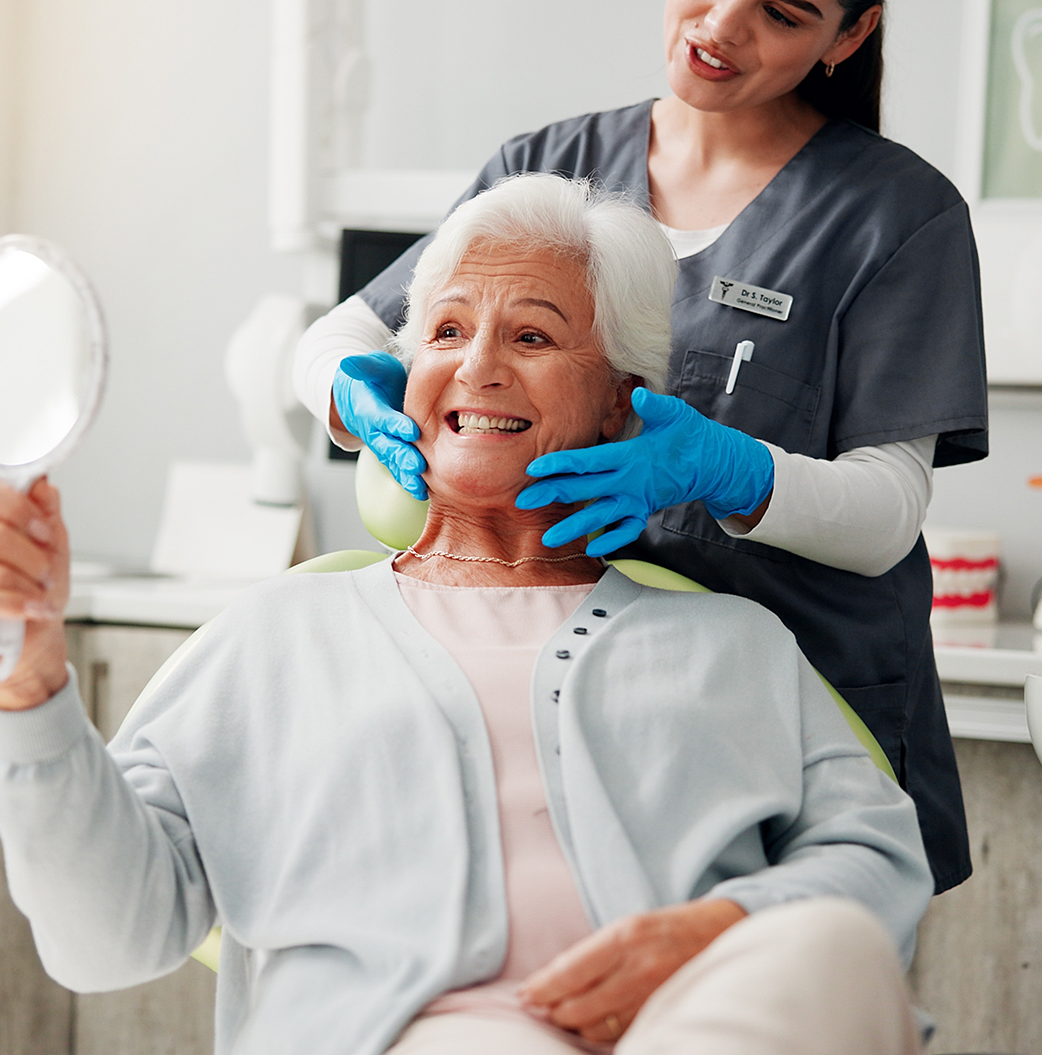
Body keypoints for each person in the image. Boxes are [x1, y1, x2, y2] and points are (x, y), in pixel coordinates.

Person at [0, 175, 932, 1055]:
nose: (478, 367)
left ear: (623, 409)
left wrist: (714, 925)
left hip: (690, 1024)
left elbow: (880, 863)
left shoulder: (732, 645)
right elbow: (104, 936)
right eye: (445, 332)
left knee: (833, 945)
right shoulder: (276, 636)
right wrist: (30, 699)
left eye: (531, 335)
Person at [292, 0, 987, 894]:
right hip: (583, 690)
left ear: (848, 36)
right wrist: (354, 386)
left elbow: (887, 511)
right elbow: (332, 339)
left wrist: (724, 468)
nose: (724, 25)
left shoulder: (896, 214)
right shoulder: (548, 169)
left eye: (780, 13)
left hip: (789, 702)